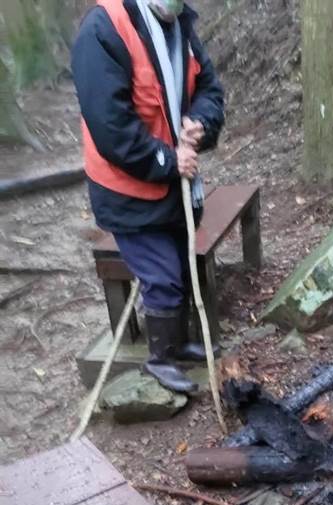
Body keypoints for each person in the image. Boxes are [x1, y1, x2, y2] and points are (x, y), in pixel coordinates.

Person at [72, 0, 225, 393]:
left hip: (177, 180)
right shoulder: (103, 29)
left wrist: (200, 123)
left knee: (182, 263)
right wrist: (166, 160)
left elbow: (208, 88)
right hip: (128, 188)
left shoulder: (180, 24)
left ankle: (178, 343)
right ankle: (160, 359)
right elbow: (110, 125)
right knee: (161, 276)